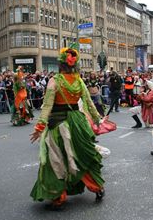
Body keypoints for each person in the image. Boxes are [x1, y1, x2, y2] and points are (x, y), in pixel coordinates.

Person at [30, 46, 105, 206]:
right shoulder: (79, 81)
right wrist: (98, 120)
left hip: (58, 125)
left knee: (56, 159)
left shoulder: (54, 81)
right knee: (80, 157)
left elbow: (47, 107)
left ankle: (58, 195)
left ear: (60, 65)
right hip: (77, 124)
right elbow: (90, 104)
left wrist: (39, 128)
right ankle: (97, 186)